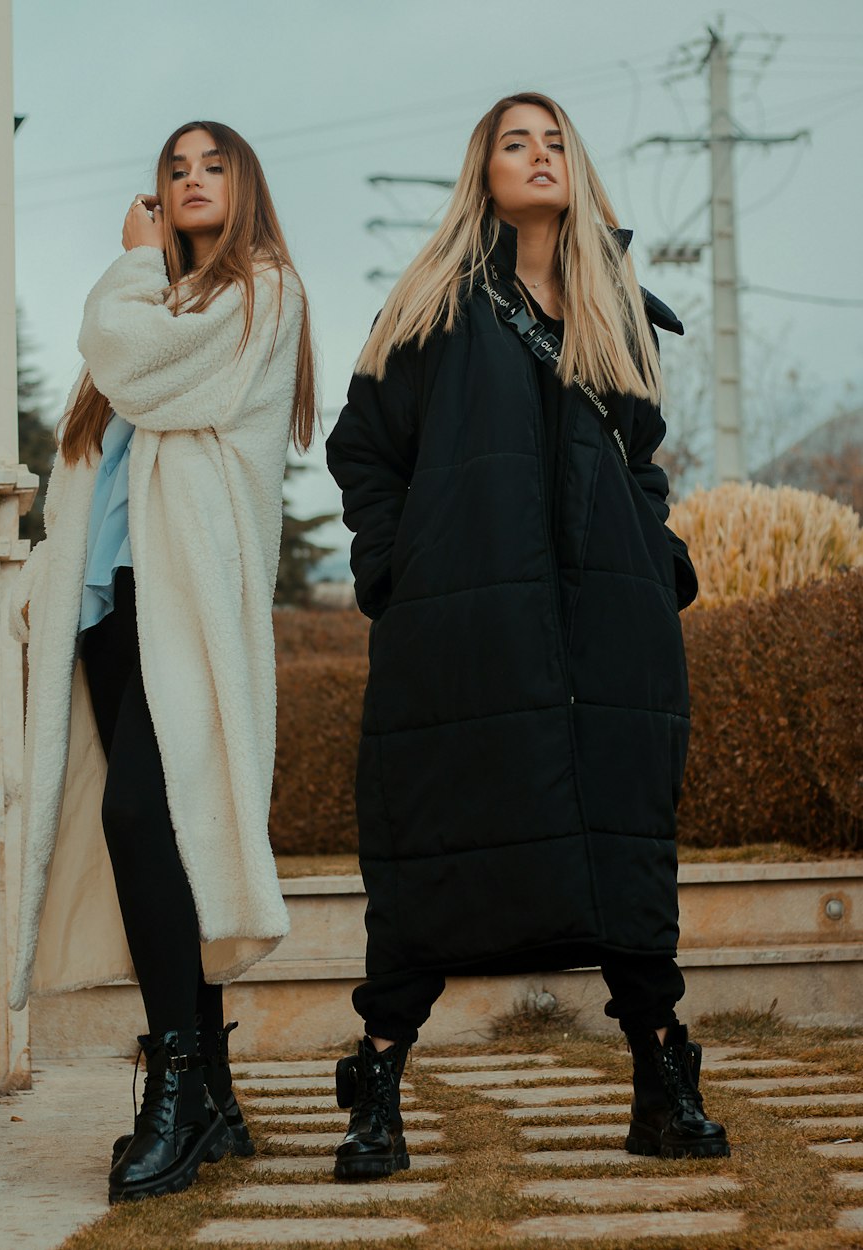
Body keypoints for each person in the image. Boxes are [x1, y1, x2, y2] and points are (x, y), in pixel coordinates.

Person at [326, 92, 729, 1180]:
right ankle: (377, 1084)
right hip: (466, 623)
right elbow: (363, 451)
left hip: (610, 622)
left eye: (555, 141)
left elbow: (638, 462)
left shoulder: (618, 311)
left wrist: (660, 561)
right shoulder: (432, 306)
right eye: (517, 142)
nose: (539, 155)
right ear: (483, 171)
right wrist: (396, 572)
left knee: (626, 844)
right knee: (434, 841)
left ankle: (661, 1076)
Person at [7, 120, 316, 1204]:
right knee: (159, 836)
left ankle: (175, 1084)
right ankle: (216, 1090)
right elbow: (91, 455)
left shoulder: (261, 293)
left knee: (144, 815)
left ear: (246, 186)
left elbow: (132, 358)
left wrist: (134, 260)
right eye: (174, 169)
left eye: (212, 164)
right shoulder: (156, 312)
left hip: (181, 601)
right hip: (104, 604)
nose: (189, 181)